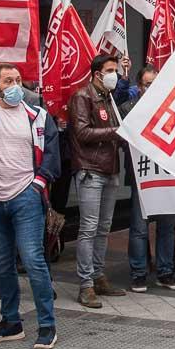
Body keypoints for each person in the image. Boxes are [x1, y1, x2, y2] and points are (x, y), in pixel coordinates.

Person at [0, 63, 61, 349]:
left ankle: (47, 325)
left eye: (18, 80)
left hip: (25, 197)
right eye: (7, 80)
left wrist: (37, 184)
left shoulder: (38, 116)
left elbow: (51, 155)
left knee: (33, 259)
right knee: (2, 262)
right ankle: (11, 322)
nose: (14, 85)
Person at [67, 54, 127, 308]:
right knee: (89, 228)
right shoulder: (83, 96)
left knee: (104, 227)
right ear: (97, 73)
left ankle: (99, 276)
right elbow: (81, 132)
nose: (115, 74)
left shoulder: (109, 98)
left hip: (110, 169)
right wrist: (117, 132)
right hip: (91, 169)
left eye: (116, 69)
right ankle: (86, 285)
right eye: (111, 70)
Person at [122, 67, 175, 293]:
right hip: (142, 178)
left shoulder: (172, 110)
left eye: (156, 83)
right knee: (139, 228)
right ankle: (138, 274)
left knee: (167, 227)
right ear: (139, 86)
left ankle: (165, 272)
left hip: (165, 178)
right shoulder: (128, 110)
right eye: (148, 84)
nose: (152, 88)